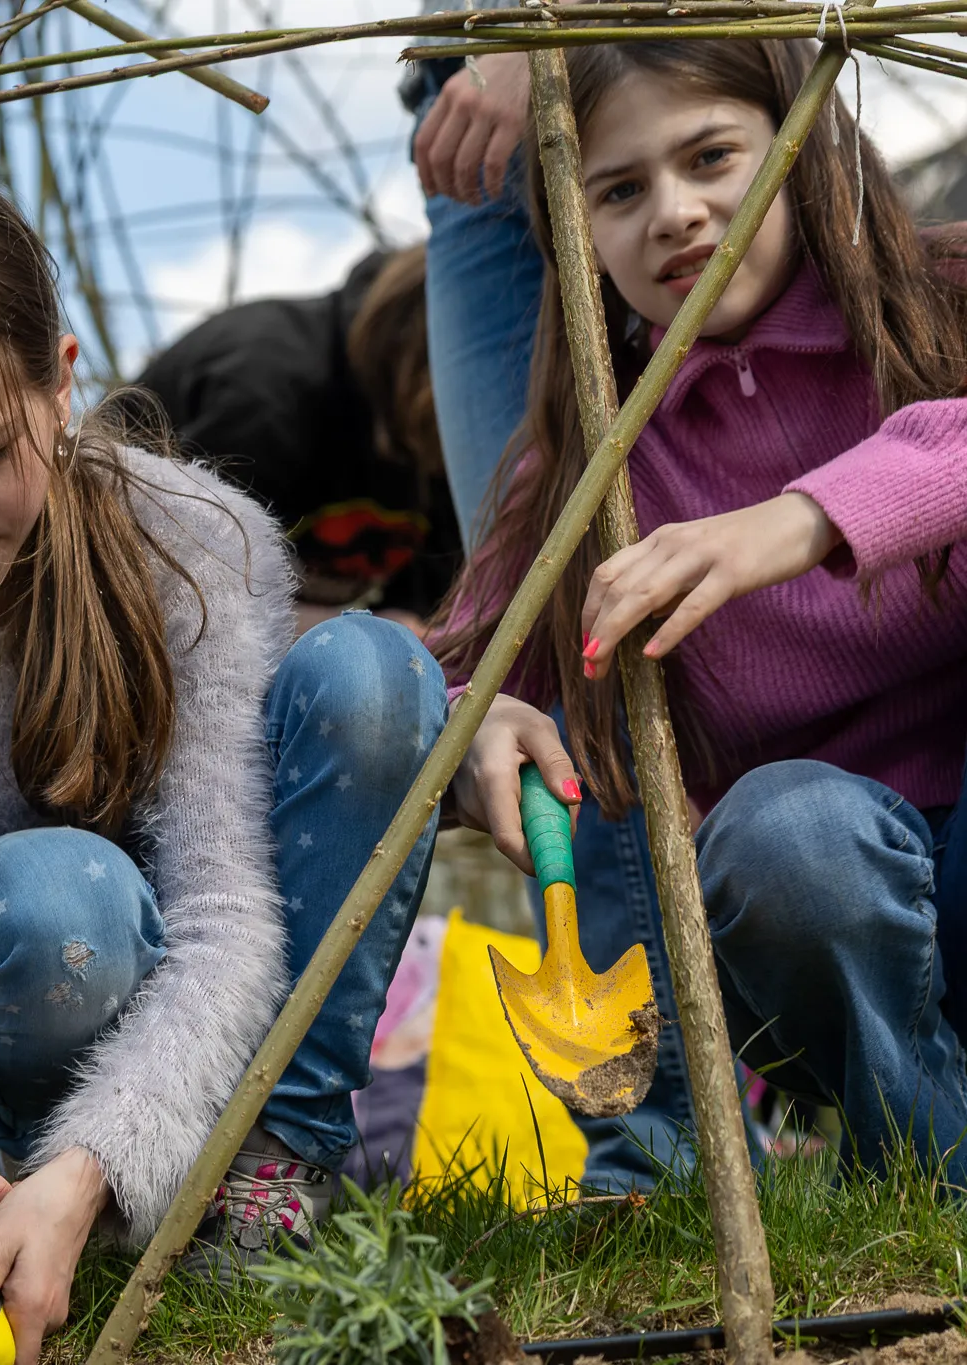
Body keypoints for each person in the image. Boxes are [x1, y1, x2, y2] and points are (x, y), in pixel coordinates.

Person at [0, 161, 455, 1363]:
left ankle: (256, 1176)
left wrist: (101, 1160)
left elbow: (222, 908)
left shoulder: (195, 544)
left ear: (57, 389)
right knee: (58, 904)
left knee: (377, 676)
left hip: (170, 1021)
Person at [432, 37, 967, 1186]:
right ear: (570, 235)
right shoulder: (592, 466)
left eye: (711, 156)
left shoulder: (940, 306)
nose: (673, 214)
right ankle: (928, 1174)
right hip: (812, 923)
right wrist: (471, 726)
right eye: (617, 191)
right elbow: (446, 673)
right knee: (783, 833)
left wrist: (804, 518)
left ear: (799, 142)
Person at [410, 31, 698, 1191]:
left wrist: (554, 33)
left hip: (629, 67)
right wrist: (448, 701)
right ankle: (645, 1149)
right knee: (560, 626)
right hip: (467, 139)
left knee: (642, 606)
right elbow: (482, 637)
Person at [125, 246, 463, 632]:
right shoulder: (267, 391)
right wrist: (353, 633)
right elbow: (188, 589)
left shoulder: (439, 436)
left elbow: (427, 608)